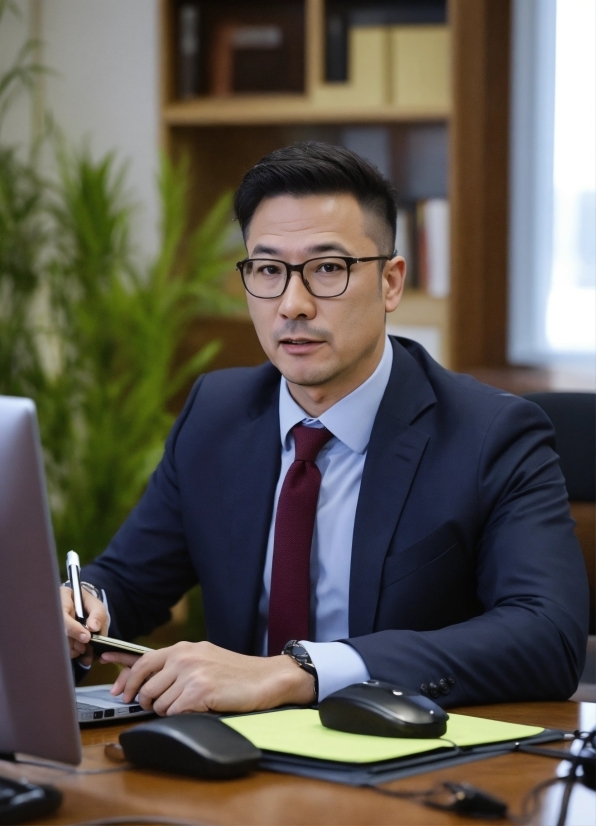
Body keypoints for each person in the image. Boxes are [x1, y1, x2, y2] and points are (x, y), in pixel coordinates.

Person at [61, 142, 588, 716]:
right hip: (231, 767)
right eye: (267, 270)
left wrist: (300, 672)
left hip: (401, 769)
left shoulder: (491, 434)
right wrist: (85, 604)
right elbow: (131, 578)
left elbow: (546, 637)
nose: (293, 304)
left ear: (390, 282)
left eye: (328, 269)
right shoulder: (217, 413)